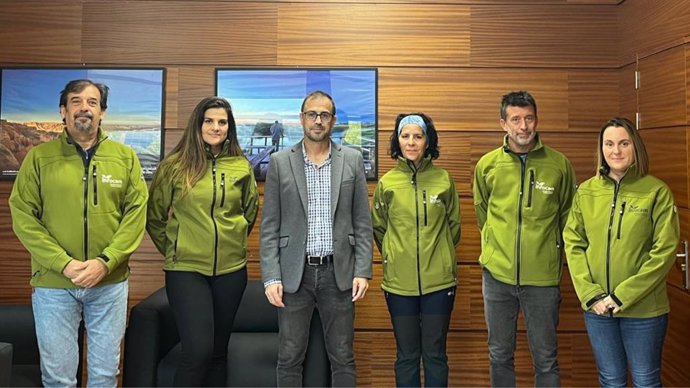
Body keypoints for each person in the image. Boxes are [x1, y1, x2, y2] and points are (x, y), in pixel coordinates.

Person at [9, 79, 148, 387]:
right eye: (76, 101)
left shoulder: (125, 158)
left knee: (105, 375)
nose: (84, 107)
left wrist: (105, 261)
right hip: (54, 284)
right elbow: (23, 217)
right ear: (63, 111)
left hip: (109, 283)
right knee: (58, 378)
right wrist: (64, 263)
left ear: (103, 113)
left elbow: (136, 215)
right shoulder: (39, 158)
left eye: (92, 102)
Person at [260, 90, 373, 386]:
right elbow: (270, 226)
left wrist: (363, 270)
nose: (318, 120)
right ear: (301, 119)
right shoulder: (280, 161)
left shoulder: (351, 159)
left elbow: (362, 221)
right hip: (294, 274)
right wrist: (271, 276)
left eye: (324, 115)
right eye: (312, 114)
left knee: (343, 356)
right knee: (289, 356)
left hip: (340, 273)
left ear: (333, 120)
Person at [147, 97, 259, 386]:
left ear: (229, 127)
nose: (216, 127)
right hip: (186, 270)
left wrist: (230, 243)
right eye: (209, 121)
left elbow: (248, 214)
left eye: (222, 122)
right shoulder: (174, 165)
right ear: (197, 124)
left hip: (231, 271)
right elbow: (155, 216)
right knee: (197, 351)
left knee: (219, 353)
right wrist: (176, 249)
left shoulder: (241, 166)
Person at [563, 117, 679, 387]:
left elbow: (664, 251)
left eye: (624, 143)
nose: (616, 151)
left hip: (645, 312)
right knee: (611, 380)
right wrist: (591, 294)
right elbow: (573, 242)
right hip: (598, 310)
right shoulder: (586, 192)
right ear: (601, 149)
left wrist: (622, 296)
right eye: (609, 143)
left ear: (635, 146)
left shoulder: (656, 192)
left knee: (645, 380)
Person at [473, 90, 576, 387]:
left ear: (537, 120)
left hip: (542, 279)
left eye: (529, 118)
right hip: (497, 277)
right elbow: (484, 213)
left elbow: (568, 218)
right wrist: (497, 249)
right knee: (499, 353)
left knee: (546, 357)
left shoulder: (559, 164)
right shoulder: (487, 165)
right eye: (515, 119)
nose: (523, 126)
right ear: (503, 123)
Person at [372, 113, 461, 387]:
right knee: (407, 356)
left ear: (427, 141)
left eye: (418, 136)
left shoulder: (443, 179)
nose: (411, 142)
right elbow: (379, 229)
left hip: (439, 283)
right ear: (397, 141)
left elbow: (453, 227)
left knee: (435, 355)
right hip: (399, 286)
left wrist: (441, 255)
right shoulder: (387, 183)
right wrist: (394, 255)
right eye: (405, 136)